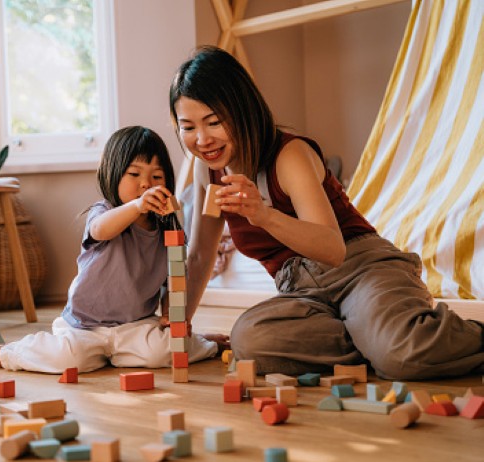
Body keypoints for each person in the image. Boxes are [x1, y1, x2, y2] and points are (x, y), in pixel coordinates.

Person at [169, 46, 483, 380]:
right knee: (249, 340)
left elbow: (333, 249)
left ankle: (400, 342)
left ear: (241, 109)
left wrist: (263, 214)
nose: (201, 139)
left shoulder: (289, 155)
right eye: (188, 127)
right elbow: (201, 255)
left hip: (361, 269)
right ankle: (379, 340)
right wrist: (176, 326)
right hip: (302, 294)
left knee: (401, 356)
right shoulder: (208, 174)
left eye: (214, 122)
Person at [0, 125, 228, 373]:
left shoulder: (168, 230)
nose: (146, 184)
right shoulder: (104, 212)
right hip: (83, 326)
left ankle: (203, 344)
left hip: (135, 325)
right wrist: (138, 206)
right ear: (113, 173)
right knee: (68, 359)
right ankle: (11, 352)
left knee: (162, 352)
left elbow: (173, 279)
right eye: (134, 174)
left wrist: (172, 317)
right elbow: (100, 230)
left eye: (157, 177)